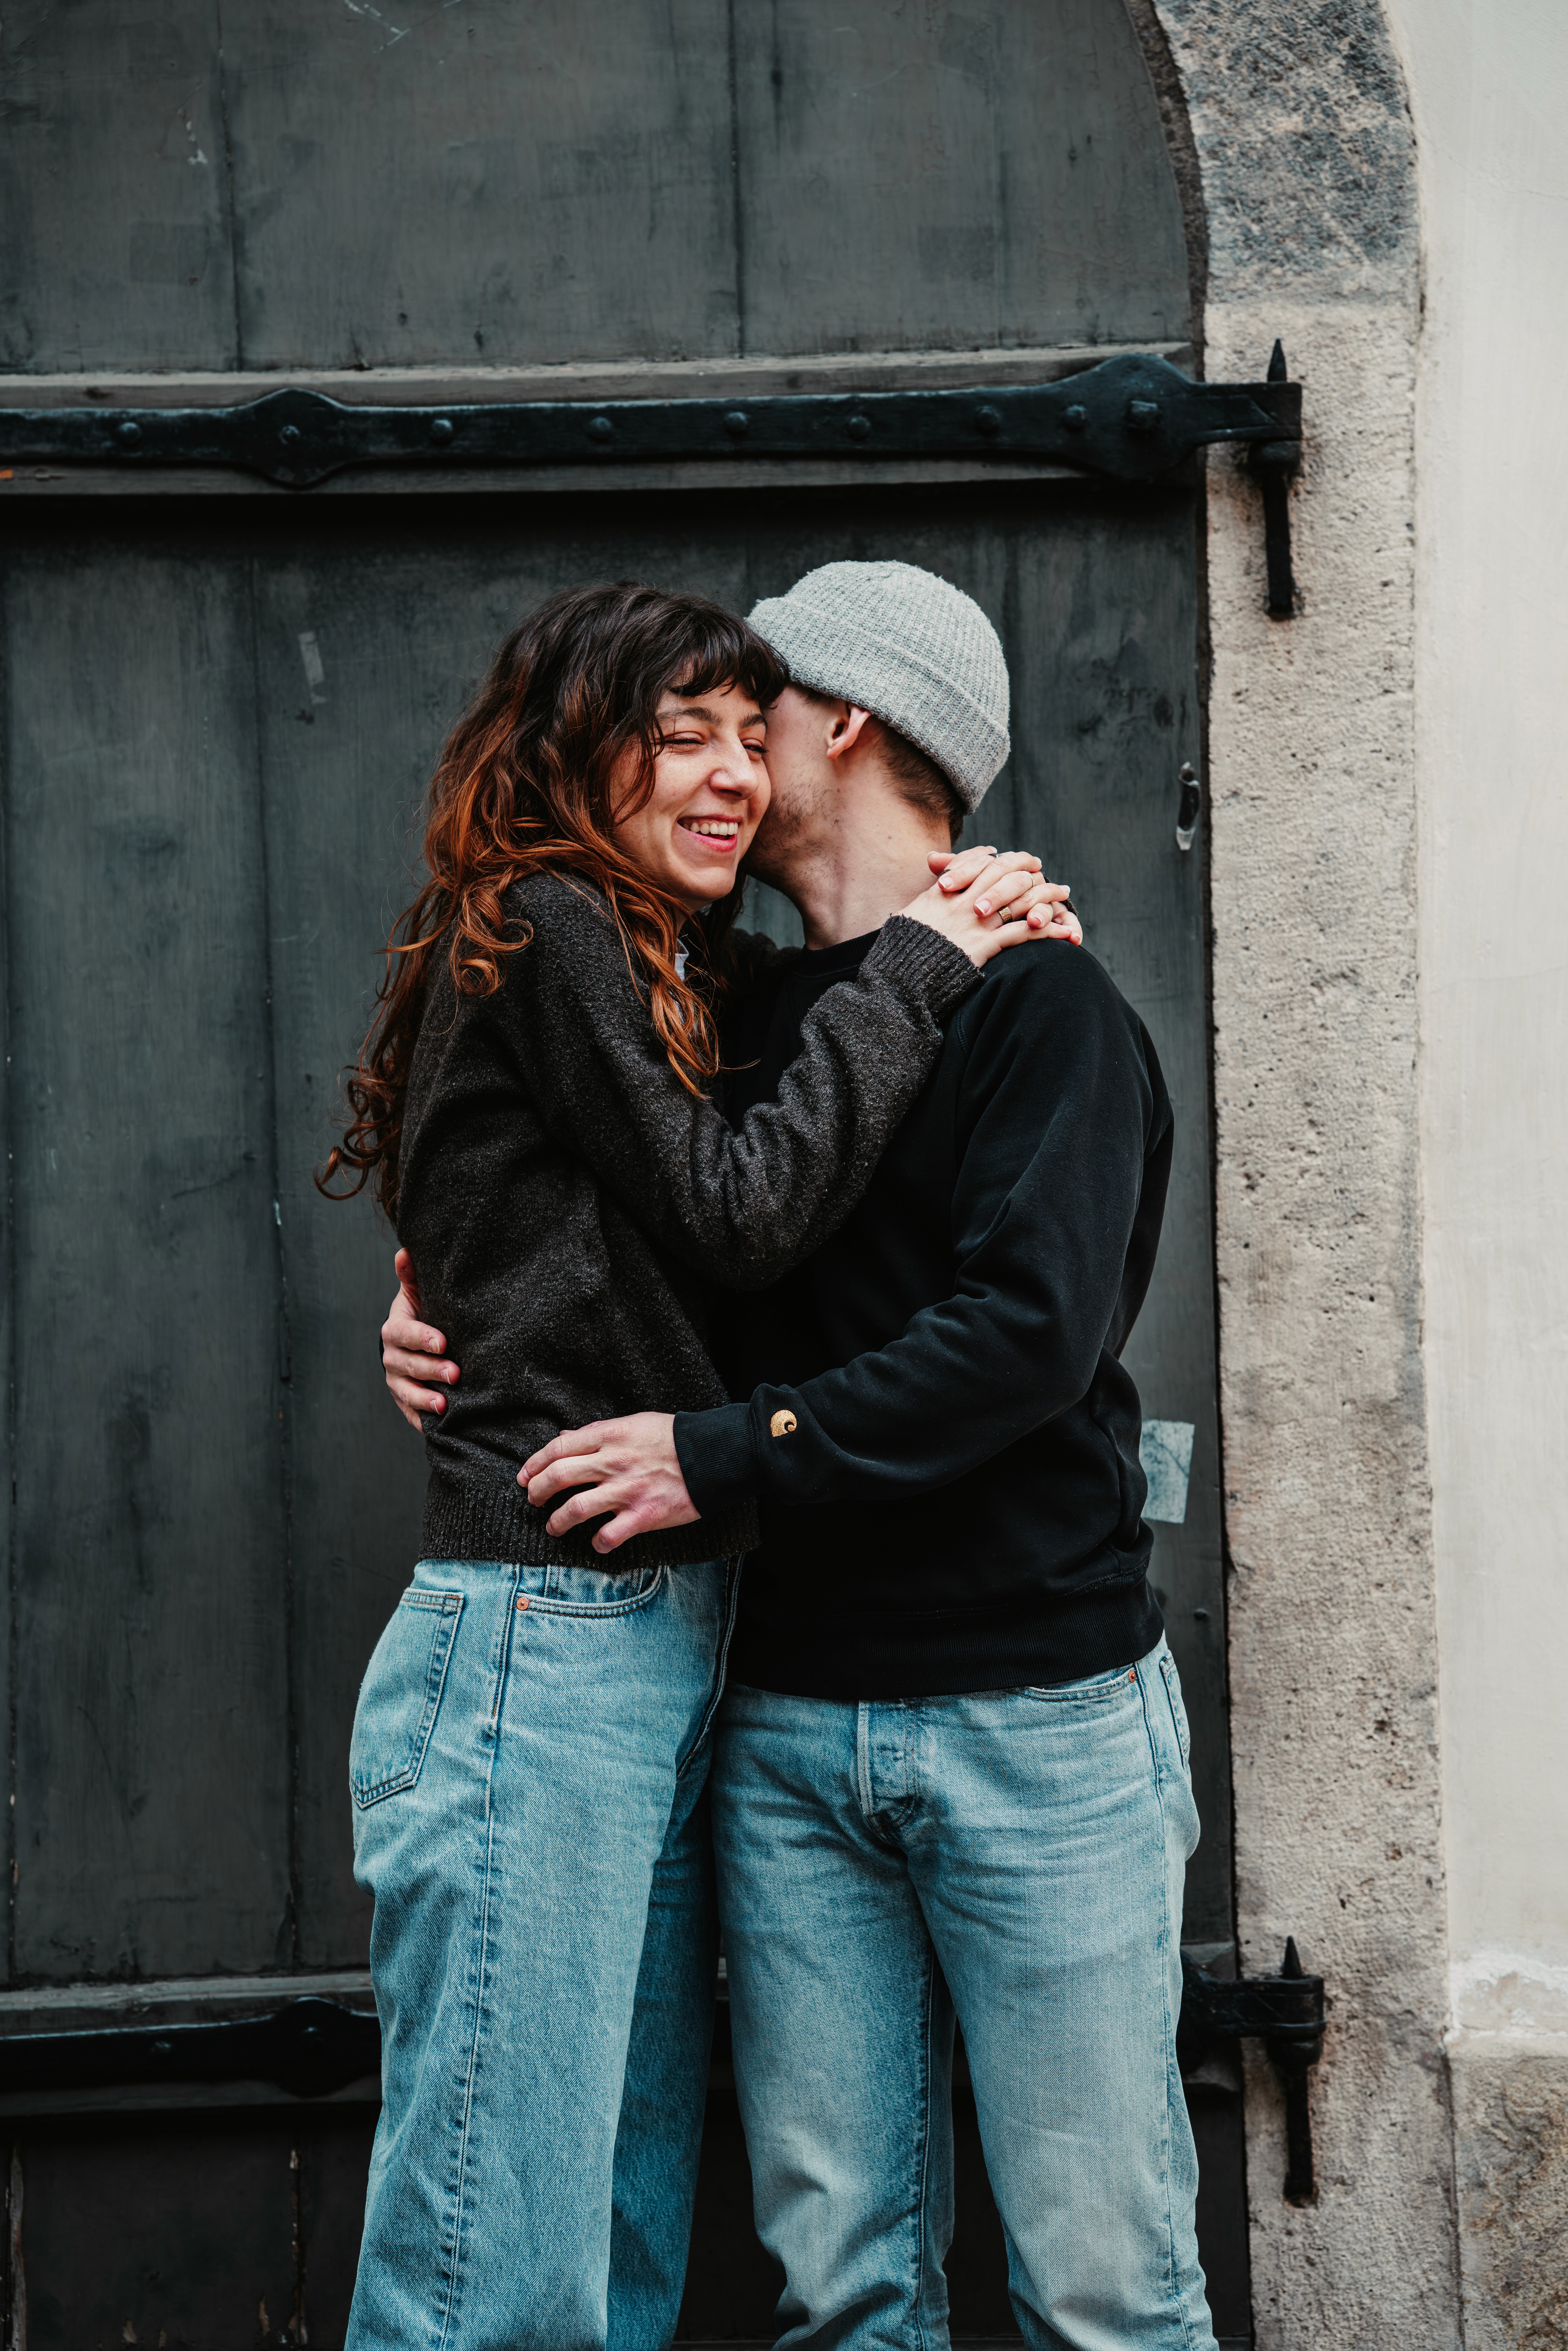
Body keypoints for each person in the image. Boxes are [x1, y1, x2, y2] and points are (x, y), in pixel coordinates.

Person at [386, 561, 1217, 2351]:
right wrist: (452, 1313)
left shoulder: (1040, 1004)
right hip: (778, 1719)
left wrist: (727, 1458)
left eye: (742, 716)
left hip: (1031, 1713)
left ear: (838, 721)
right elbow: (607, 1225)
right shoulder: (722, 1002)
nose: (723, 763)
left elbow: (1024, 1341)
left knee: (1104, 2286)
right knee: (842, 2287)